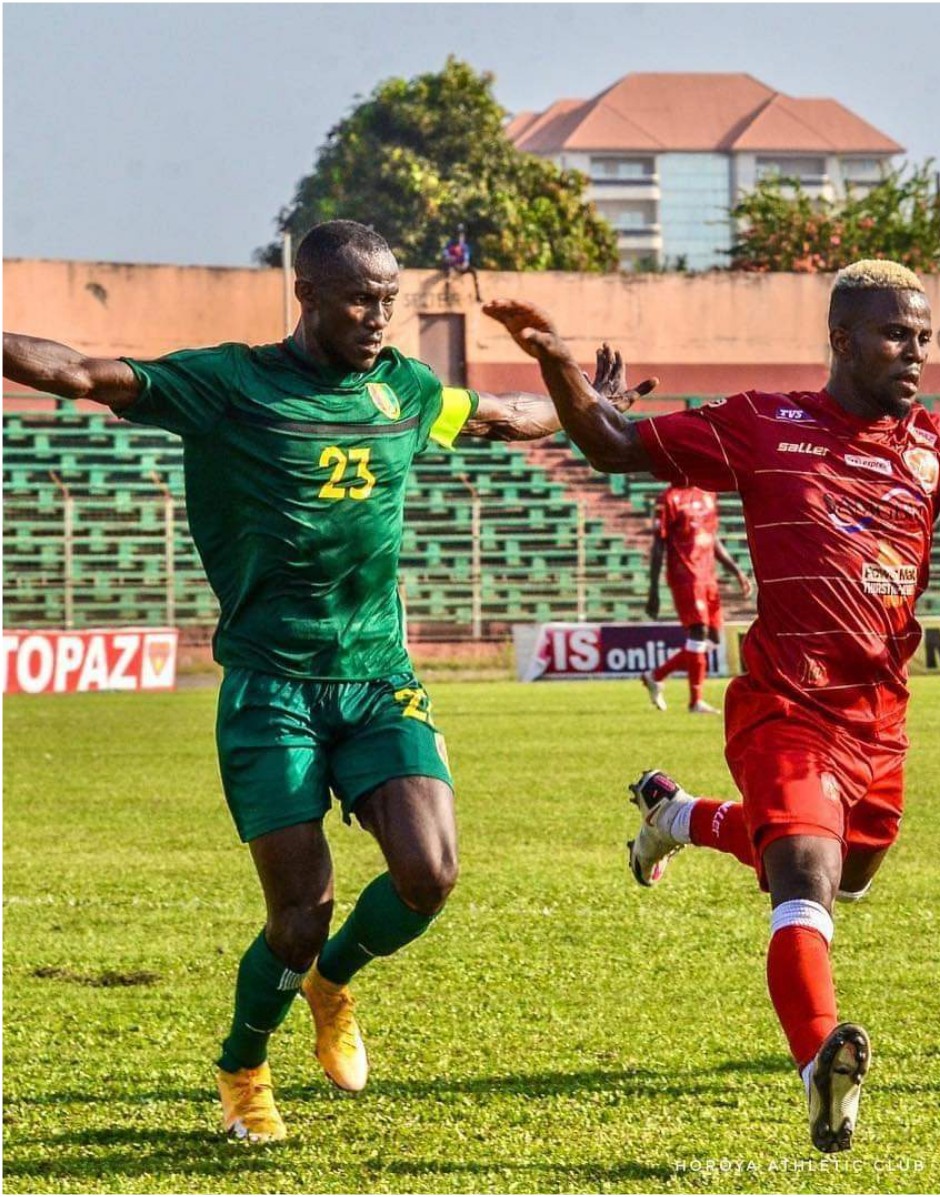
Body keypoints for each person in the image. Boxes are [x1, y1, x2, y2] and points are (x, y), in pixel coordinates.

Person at [1, 220, 651, 1143]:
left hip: (378, 678)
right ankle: (243, 1065)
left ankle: (333, 981)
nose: (378, 316)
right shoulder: (230, 384)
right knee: (298, 915)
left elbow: (505, 418)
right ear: (306, 295)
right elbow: (81, 373)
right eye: (357, 299)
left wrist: (587, 398)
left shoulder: (404, 389)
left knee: (429, 874)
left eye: (388, 299)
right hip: (273, 689)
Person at [482, 261, 940, 1154]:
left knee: (846, 872)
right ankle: (820, 1064)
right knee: (805, 877)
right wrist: (557, 364)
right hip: (785, 704)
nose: (915, 351)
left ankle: (678, 816)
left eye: (924, 336)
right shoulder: (766, 424)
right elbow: (612, 443)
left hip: (878, 720)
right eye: (895, 333)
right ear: (842, 338)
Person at [641, 482, 751, 714]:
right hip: (685, 576)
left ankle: (656, 676)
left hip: (708, 576)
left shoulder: (707, 492)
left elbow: (711, 537)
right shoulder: (668, 498)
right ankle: (696, 702)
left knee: (713, 640)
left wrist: (736, 571)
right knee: (698, 633)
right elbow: (658, 545)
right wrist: (653, 589)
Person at [442, 226, 481, 301]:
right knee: (449, 273)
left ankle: (478, 295)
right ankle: (446, 295)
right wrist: (449, 258)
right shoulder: (451, 244)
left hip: (462, 266)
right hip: (454, 265)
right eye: (458, 234)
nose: (460, 236)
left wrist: (465, 263)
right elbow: (446, 253)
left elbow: (466, 255)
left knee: (474, 271)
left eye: (461, 234)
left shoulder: (464, 246)